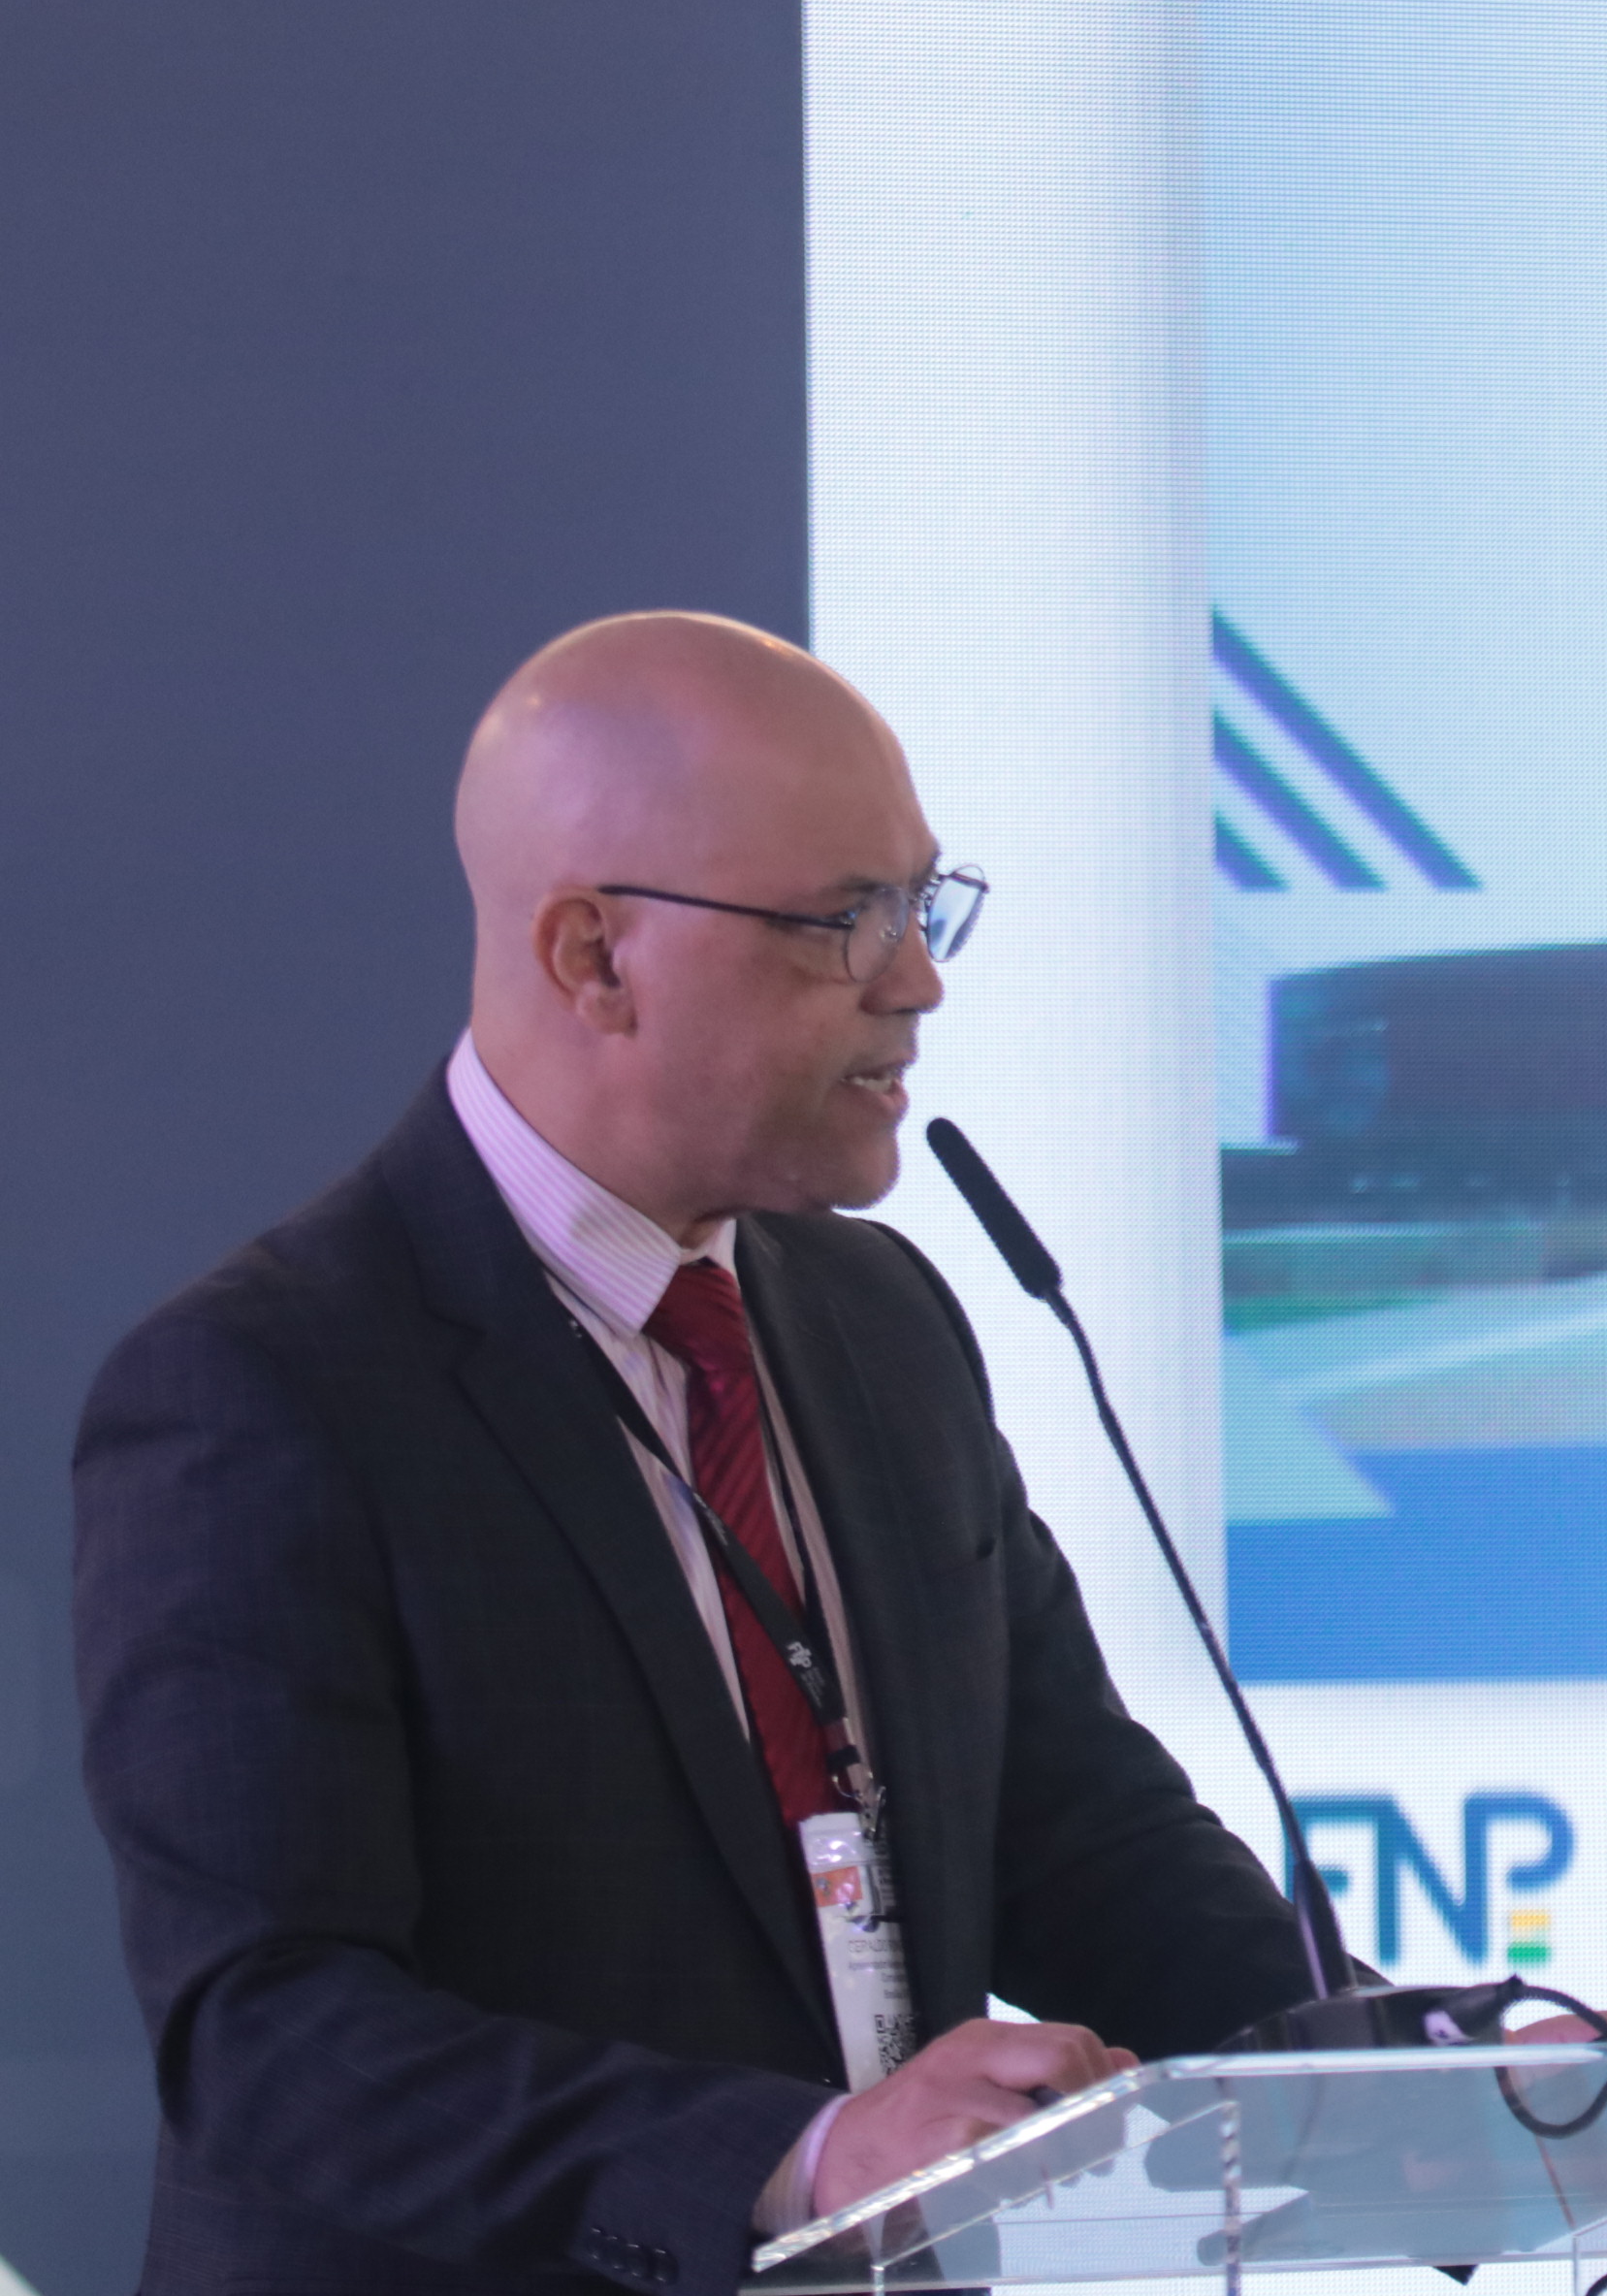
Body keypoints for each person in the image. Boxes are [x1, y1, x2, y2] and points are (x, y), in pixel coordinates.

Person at [75, 613, 1339, 2294]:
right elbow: (272, 2032)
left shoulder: (884, 1319)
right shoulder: (265, 1391)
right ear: (593, 955)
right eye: (846, 920)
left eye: (926, 904)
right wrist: (799, 2160)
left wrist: (1397, 2072)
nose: (918, 981)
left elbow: (1076, 1839)